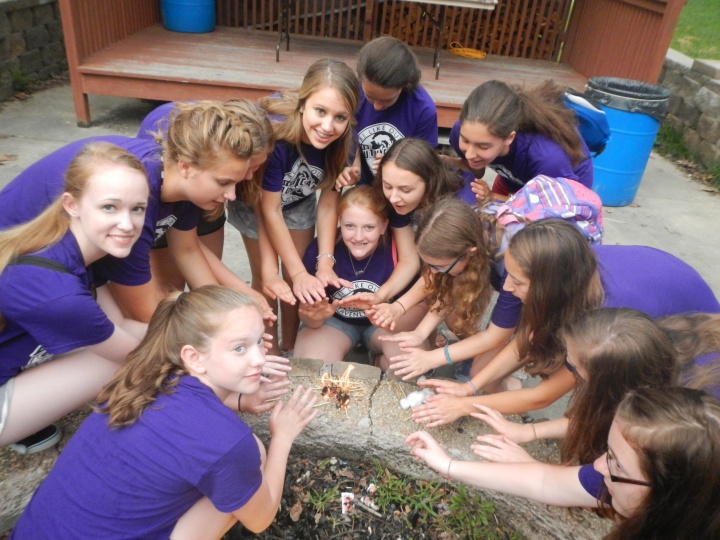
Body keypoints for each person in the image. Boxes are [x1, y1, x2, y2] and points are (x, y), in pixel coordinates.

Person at [11, 286, 317, 539]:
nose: (259, 359)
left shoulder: (142, 378)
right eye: (240, 348)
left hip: (35, 529)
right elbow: (260, 520)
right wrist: (283, 437)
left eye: (259, 344)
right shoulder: (225, 442)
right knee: (253, 457)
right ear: (194, 358)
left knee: (247, 456)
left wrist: (237, 401)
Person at [412, 219, 720, 426]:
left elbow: (545, 395)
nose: (505, 289)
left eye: (517, 282)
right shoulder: (565, 267)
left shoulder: (602, 313)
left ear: (548, 286)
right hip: (659, 287)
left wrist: (465, 406)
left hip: (700, 351)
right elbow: (526, 339)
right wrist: (470, 387)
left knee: (637, 418)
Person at [0, 101, 273, 323]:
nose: (232, 196)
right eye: (224, 183)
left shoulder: (182, 183)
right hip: (17, 258)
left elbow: (187, 250)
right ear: (187, 167)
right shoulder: (136, 200)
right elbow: (145, 312)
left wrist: (231, 308)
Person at [407, 387, 720, 540]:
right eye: (607, 452)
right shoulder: (625, 482)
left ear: (673, 494)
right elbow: (545, 482)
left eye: (617, 465)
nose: (597, 467)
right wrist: (447, 465)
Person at [0, 143, 149, 453]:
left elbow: (119, 325)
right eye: (110, 207)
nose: (128, 224)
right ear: (72, 204)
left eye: (138, 208)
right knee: (115, 363)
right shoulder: (60, 291)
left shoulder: (69, 246)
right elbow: (140, 357)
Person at [472, 308, 720, 468]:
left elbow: (625, 486)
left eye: (576, 368)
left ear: (611, 381)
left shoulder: (680, 415)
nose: (570, 373)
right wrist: (529, 432)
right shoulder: (643, 345)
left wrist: (531, 467)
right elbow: (601, 416)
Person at [227, 58, 360, 355]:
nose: (328, 126)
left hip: (299, 200)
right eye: (320, 111)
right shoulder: (278, 141)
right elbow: (269, 209)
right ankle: (270, 350)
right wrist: (298, 273)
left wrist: (324, 262)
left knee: (296, 274)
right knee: (267, 276)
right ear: (303, 104)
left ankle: (291, 344)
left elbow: (328, 203)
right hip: (256, 203)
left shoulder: (345, 141)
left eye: (340, 117)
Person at [135, 99, 274, 293]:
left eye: (257, 167)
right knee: (168, 287)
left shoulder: (212, 181)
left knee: (201, 281)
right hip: (168, 196)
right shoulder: (157, 176)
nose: (249, 176)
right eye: (248, 167)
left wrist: (236, 296)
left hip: (200, 192)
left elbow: (190, 252)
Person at [292, 186, 430, 365]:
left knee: (407, 366)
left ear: (383, 226)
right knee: (310, 367)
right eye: (349, 226)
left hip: (384, 328)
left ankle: (379, 362)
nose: (358, 236)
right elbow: (306, 316)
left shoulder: (400, 251)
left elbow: (421, 306)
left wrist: (386, 318)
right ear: (339, 221)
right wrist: (314, 317)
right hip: (335, 323)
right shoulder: (321, 250)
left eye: (369, 227)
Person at [340, 138, 464, 326]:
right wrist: (380, 296)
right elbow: (409, 259)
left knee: (458, 320)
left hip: (459, 265)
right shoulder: (397, 203)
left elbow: (439, 270)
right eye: (387, 186)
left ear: (429, 182)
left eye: (405, 189)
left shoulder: (452, 208)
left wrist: (399, 306)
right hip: (429, 263)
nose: (394, 197)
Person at [444, 80, 593, 203]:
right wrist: (443, 161)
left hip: (562, 196)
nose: (470, 154)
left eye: (483, 146)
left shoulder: (547, 158)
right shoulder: (462, 130)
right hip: (514, 178)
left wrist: (493, 197)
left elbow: (551, 207)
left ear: (509, 138)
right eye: (465, 140)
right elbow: (476, 170)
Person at [339, 36, 438, 187]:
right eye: (370, 97)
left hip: (403, 189)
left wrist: (397, 165)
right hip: (366, 185)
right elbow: (348, 134)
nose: (377, 106)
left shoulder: (423, 109)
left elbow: (426, 166)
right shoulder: (354, 93)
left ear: (405, 86)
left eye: (387, 100)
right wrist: (353, 164)